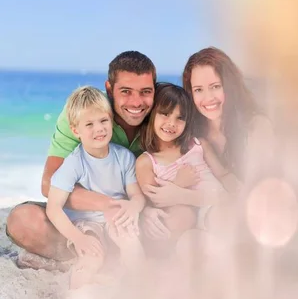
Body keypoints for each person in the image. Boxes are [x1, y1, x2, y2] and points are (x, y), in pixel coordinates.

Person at [140, 47, 278, 296]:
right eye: (198, 90)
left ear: (230, 84)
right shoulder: (193, 129)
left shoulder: (256, 127)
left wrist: (181, 196)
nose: (208, 97)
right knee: (186, 246)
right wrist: (148, 210)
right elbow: (163, 172)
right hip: (205, 217)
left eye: (215, 86)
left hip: (248, 221)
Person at [5, 50, 158, 270]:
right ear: (109, 89)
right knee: (23, 220)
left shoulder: (163, 116)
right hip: (88, 218)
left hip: (132, 216)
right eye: (126, 91)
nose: (136, 102)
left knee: (170, 220)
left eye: (145, 92)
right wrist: (107, 204)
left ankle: (106, 262)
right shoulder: (84, 115)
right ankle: (86, 257)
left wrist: (144, 208)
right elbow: (49, 184)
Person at [45, 86, 146, 289]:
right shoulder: (75, 162)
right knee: (91, 259)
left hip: (115, 219)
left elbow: (137, 196)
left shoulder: (123, 157)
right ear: (76, 130)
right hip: (87, 224)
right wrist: (78, 238)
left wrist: (134, 207)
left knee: (132, 245)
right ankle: (78, 291)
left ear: (111, 121)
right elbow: (53, 207)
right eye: (89, 124)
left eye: (103, 121)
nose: (99, 129)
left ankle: (139, 288)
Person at [134, 82, 226, 258]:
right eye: (165, 114)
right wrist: (179, 184)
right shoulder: (146, 161)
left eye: (180, 118)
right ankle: (172, 257)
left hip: (212, 205)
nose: (171, 123)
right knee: (179, 217)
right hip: (183, 214)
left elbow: (222, 174)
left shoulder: (198, 145)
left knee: (222, 215)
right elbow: (154, 200)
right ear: (152, 115)